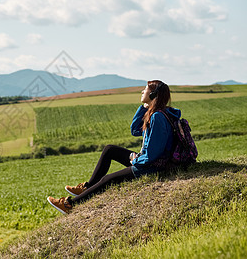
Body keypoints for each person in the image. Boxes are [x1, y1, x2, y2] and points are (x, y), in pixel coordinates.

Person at [47, 80, 181, 214]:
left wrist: (135, 161)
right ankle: (87, 187)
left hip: (154, 166)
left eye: (145, 89)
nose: (142, 91)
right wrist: (144, 108)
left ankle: (70, 205)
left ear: (153, 94)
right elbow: (135, 130)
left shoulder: (158, 117)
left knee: (108, 179)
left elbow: (153, 153)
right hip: (148, 160)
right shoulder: (154, 113)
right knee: (110, 150)